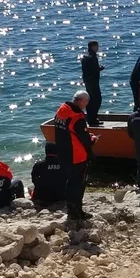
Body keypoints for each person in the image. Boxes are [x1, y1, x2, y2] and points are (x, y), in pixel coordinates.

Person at [54, 90, 95, 223]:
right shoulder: (77, 116)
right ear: (82, 101)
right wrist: (92, 139)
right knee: (79, 183)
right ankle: (77, 211)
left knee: (70, 181)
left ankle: (71, 208)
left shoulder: (61, 110)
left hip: (63, 152)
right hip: (77, 154)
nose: (86, 105)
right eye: (87, 102)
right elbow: (83, 138)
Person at [30, 143, 67, 209]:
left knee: (30, 187)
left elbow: (33, 180)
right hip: (61, 196)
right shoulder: (64, 164)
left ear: (46, 151)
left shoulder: (39, 165)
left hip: (43, 198)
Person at [81, 40, 105, 127]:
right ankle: (93, 119)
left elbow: (87, 70)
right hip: (92, 81)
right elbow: (93, 70)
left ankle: (91, 118)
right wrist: (100, 69)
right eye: (96, 46)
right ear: (92, 47)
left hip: (88, 81)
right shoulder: (92, 57)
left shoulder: (86, 57)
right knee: (97, 100)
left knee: (91, 100)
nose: (97, 48)